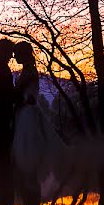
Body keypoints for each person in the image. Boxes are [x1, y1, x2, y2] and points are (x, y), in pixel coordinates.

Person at [11, 41, 65, 181]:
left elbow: (26, 94)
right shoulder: (28, 70)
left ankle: (29, 175)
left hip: (27, 112)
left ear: (23, 54)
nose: (14, 56)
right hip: (26, 110)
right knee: (27, 143)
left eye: (16, 54)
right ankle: (28, 177)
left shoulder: (29, 71)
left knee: (28, 144)